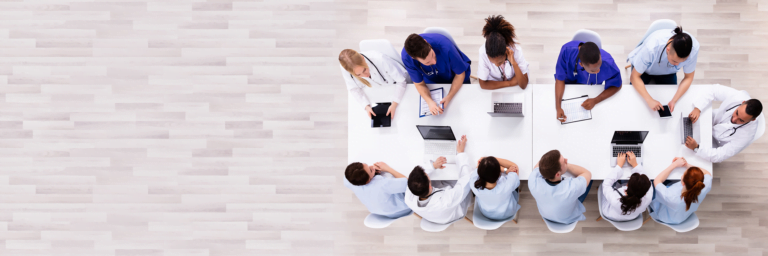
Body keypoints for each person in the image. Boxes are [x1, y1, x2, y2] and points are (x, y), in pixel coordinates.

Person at [628, 26, 699, 112]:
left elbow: (688, 77)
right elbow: (634, 77)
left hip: (668, 72)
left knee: (669, 98)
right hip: (645, 70)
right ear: (667, 50)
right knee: (635, 102)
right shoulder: (651, 47)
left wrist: (674, 101)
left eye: (682, 62)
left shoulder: (693, 48)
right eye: (675, 61)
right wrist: (649, 100)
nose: (678, 65)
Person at [685, 84, 763, 163]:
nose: (734, 119)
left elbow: (719, 156)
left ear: (752, 120)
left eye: (741, 120)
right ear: (742, 102)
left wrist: (696, 148)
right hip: (713, 119)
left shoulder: (746, 136)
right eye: (736, 112)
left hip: (716, 141)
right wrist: (698, 108)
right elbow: (713, 90)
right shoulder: (738, 96)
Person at [405, 135, 472, 224]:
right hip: (454, 211)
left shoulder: (409, 197)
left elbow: (414, 177)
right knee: (463, 177)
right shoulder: (446, 201)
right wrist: (460, 153)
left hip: (435, 214)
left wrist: (433, 166)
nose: (427, 173)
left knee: (441, 177)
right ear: (429, 185)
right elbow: (465, 180)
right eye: (426, 175)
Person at [402, 33, 472, 115]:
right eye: (427, 62)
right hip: (432, 79)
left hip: (456, 76)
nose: (434, 61)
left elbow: (460, 74)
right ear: (413, 58)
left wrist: (449, 97)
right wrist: (429, 101)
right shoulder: (407, 58)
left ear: (426, 42)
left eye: (432, 54)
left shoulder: (446, 47)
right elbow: (419, 84)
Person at [554, 41, 622, 123]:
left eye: (600, 65)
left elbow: (617, 85)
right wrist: (558, 107)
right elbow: (560, 78)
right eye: (593, 70)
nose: (598, 70)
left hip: (592, 91)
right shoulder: (566, 51)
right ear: (581, 65)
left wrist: (596, 100)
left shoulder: (608, 62)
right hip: (569, 89)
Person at [339, 49, 409, 119]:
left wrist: (394, 104)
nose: (365, 76)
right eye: (358, 74)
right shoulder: (346, 68)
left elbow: (401, 81)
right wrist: (366, 106)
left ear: (363, 58)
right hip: (378, 91)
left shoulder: (380, 59)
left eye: (364, 70)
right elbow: (354, 88)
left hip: (397, 84)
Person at [529, 150, 593, 224]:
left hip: (546, 216)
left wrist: (559, 166)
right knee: (590, 181)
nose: (567, 160)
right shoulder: (571, 188)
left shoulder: (533, 182)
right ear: (557, 174)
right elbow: (587, 173)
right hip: (568, 218)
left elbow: (538, 165)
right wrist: (566, 166)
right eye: (564, 162)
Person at [649, 157, 712, 225]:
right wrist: (686, 165)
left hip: (665, 216)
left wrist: (675, 164)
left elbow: (657, 181)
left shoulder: (671, 196)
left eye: (683, 174)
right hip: (682, 216)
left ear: (683, 183)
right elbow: (706, 172)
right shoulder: (703, 186)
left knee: (650, 181)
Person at [477, 15, 529, 90]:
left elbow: (523, 84)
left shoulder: (516, 49)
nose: (497, 65)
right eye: (493, 62)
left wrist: (514, 62)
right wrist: (510, 83)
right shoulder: (483, 52)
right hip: (499, 87)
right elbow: (483, 84)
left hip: (505, 87)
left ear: (506, 51)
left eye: (500, 62)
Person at [343, 161, 412, 218]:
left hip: (380, 213)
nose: (372, 167)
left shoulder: (348, 180)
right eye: (370, 170)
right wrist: (388, 169)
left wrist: (372, 174)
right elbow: (410, 184)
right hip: (401, 211)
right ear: (368, 181)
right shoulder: (382, 184)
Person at [599, 152, 652, 221]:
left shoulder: (616, 200)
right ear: (645, 192)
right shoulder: (648, 197)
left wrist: (619, 165)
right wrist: (635, 164)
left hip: (611, 212)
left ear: (626, 186)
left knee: (612, 180)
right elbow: (647, 180)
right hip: (632, 216)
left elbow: (606, 184)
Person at [470, 156, 521, 221]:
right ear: (500, 173)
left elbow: (477, 168)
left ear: (479, 174)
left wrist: (486, 163)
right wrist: (505, 169)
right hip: (507, 213)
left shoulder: (474, 184)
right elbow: (514, 166)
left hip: (486, 213)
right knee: (514, 185)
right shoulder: (507, 185)